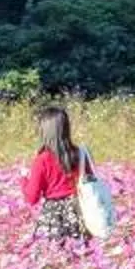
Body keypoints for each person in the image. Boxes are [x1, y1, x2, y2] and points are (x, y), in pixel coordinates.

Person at [21, 103, 97, 246]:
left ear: (44, 131)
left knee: (54, 258)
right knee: (81, 256)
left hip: (53, 217)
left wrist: (24, 179)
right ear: (66, 128)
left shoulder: (42, 160)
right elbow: (90, 182)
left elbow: (32, 199)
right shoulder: (80, 154)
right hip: (80, 214)